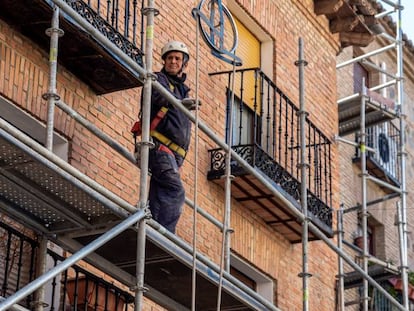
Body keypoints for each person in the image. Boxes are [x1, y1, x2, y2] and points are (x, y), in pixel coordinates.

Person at [145, 40, 193, 233]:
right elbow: (155, 97)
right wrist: (179, 103)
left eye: (178, 58)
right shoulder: (158, 80)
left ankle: (153, 229)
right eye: (170, 58)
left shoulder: (182, 90)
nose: (173, 61)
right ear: (164, 60)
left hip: (174, 154)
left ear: (184, 63)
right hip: (159, 147)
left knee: (159, 195)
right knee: (175, 190)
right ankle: (166, 236)